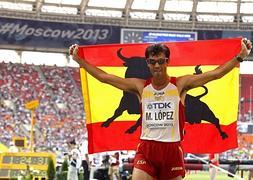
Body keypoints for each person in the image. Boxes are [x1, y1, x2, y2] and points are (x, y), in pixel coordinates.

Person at [69, 38, 252, 180]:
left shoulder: (180, 84)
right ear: (147, 63)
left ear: (167, 61)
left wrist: (240, 57)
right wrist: (79, 61)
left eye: (160, 61)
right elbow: (104, 77)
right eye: (152, 61)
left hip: (172, 151)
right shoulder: (140, 86)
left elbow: (215, 74)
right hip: (146, 149)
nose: (157, 65)